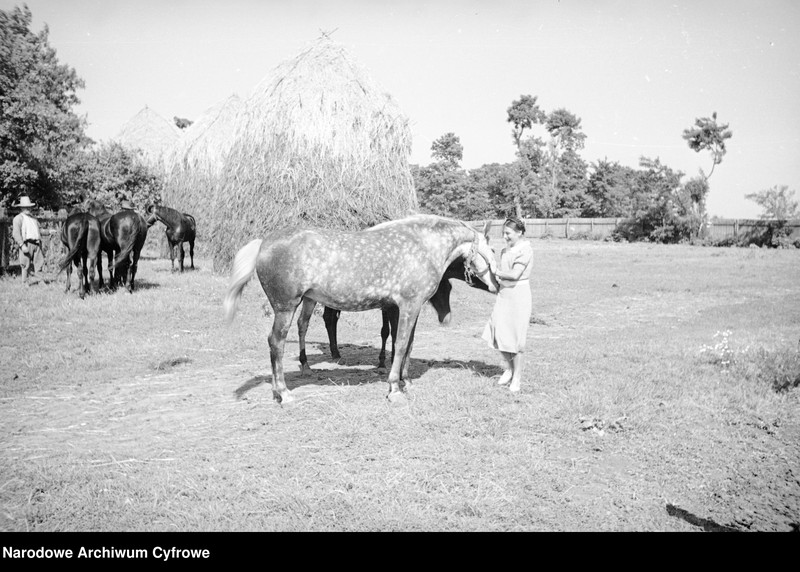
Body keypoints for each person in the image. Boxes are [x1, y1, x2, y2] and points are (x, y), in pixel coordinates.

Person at [482, 216, 534, 393]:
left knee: (516, 338)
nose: (505, 236)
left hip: (518, 296)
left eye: (508, 233)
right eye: (504, 233)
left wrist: (497, 271)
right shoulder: (504, 251)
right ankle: (509, 369)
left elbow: (514, 274)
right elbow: (499, 274)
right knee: (497, 333)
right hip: (504, 295)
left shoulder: (525, 250)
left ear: (519, 233)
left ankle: (517, 377)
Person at [11, 195, 45, 284]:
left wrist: (48, 232)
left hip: (36, 243)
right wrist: (22, 245)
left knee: (39, 263)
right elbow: (16, 233)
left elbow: (39, 230)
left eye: (29, 207)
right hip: (26, 243)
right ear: (21, 208)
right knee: (25, 263)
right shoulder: (18, 218)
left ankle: (40, 280)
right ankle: (25, 282)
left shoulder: (33, 218)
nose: (28, 209)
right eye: (25, 207)